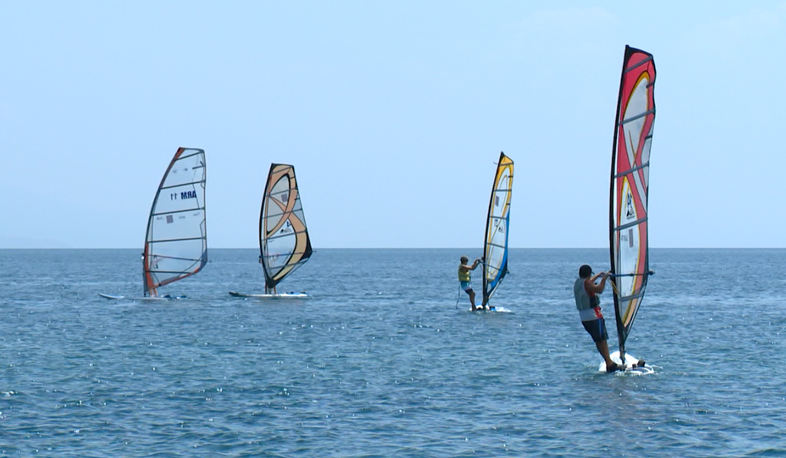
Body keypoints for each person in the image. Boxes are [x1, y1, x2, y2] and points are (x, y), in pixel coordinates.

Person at [573, 264, 620, 372]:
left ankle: (609, 362)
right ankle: (609, 363)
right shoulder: (587, 284)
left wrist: (598, 276)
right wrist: (604, 279)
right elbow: (599, 289)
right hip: (593, 316)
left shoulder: (578, 283)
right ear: (589, 274)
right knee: (601, 340)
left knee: (598, 340)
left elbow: (587, 284)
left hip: (584, 318)